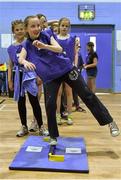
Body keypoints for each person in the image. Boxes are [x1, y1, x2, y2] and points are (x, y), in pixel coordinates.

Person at [18, 15, 120, 145]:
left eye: (38, 25)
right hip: (50, 77)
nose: (37, 28)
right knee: (50, 105)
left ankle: (110, 121)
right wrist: (25, 61)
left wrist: (44, 46)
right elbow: (21, 58)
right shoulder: (26, 45)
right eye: (33, 26)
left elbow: (59, 49)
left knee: (87, 94)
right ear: (26, 29)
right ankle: (53, 136)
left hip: (66, 69)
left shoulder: (47, 34)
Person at [7, 19, 49, 137]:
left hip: (30, 74)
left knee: (34, 101)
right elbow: (10, 65)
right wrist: (10, 80)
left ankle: (41, 126)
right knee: (21, 102)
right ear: (13, 32)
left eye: (21, 29)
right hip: (18, 76)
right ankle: (24, 126)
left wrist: (38, 75)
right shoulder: (10, 48)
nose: (19, 31)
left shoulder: (29, 43)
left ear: (25, 30)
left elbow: (37, 60)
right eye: (17, 30)